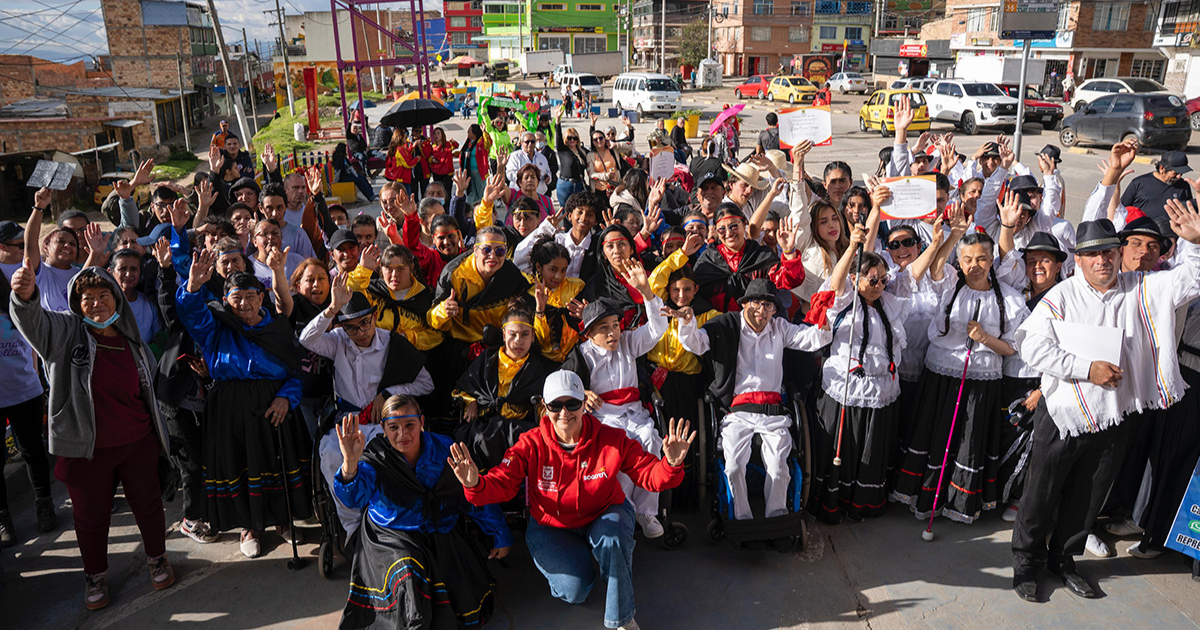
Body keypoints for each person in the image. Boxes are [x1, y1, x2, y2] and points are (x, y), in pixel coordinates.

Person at [1011, 202, 1200, 602]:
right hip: (1063, 414)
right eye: (1093, 254)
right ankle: (1026, 563)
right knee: (1041, 492)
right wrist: (1085, 369)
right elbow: (1030, 346)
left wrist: (1196, 244)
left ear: (1118, 254)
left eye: (1109, 252)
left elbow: (1191, 281)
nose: (1102, 260)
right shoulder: (1062, 296)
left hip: (1114, 415)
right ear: (1078, 260)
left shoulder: (1140, 287)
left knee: (1088, 496)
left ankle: (1063, 560)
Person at [449, 370, 696, 630]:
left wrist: (670, 464)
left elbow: (648, 474)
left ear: (584, 404)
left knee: (612, 539)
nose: (564, 412)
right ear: (544, 407)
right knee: (574, 590)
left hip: (604, 513)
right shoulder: (530, 444)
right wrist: (475, 484)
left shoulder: (611, 439)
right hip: (551, 526)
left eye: (572, 403)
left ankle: (622, 619)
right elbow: (504, 482)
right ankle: (588, 562)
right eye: (555, 405)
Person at [10, 265, 174, 609]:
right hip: (86, 451)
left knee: (148, 506)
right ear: (76, 304)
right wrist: (25, 298)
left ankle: (158, 558)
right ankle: (95, 575)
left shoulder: (132, 340)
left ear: (117, 301)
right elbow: (33, 322)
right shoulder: (65, 335)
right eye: (87, 298)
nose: (96, 303)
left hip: (136, 442)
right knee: (90, 518)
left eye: (103, 295)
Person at [334, 396, 512, 629]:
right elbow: (353, 498)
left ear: (422, 422)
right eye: (393, 427)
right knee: (408, 571)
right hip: (391, 535)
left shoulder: (446, 450)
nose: (402, 434)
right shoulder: (376, 457)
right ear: (383, 428)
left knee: (457, 590)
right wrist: (349, 463)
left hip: (440, 529)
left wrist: (500, 534)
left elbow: (471, 495)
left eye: (410, 424)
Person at [177, 254, 313, 558]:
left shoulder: (278, 328)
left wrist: (286, 397)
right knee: (239, 465)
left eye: (250, 296)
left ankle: (282, 520)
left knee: (275, 464)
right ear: (226, 300)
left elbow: (296, 372)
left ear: (261, 298)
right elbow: (192, 314)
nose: (244, 304)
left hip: (273, 406)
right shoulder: (216, 328)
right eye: (236, 298)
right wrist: (193, 287)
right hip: (229, 410)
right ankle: (248, 527)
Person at [892, 224, 1029, 525]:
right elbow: (936, 269)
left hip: (981, 383)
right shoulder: (950, 285)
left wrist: (985, 339)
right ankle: (927, 497)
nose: (974, 265)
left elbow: (1011, 349)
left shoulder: (1009, 299)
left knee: (968, 441)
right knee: (937, 437)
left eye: (981, 259)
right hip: (940, 378)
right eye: (967, 259)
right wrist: (952, 236)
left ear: (991, 261)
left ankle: (958, 501)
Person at [676, 278, 831, 523]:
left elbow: (813, 338)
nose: (762, 311)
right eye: (757, 303)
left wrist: (825, 316)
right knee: (734, 466)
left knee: (779, 468)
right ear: (744, 304)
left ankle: (777, 518)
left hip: (773, 413)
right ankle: (741, 519)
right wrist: (687, 322)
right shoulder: (726, 324)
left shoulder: (779, 327)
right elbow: (696, 343)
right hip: (738, 412)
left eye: (769, 306)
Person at [300, 279, 434, 537]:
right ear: (342, 327)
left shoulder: (392, 342)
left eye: (364, 323)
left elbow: (426, 383)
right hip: (349, 420)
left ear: (374, 316)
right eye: (351, 327)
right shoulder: (338, 340)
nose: (360, 332)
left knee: (388, 459)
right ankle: (352, 528)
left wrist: (388, 394)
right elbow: (307, 339)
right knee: (330, 454)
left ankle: (386, 521)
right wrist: (332, 308)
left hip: (384, 421)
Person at [562, 259, 669, 536]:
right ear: (589, 333)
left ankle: (646, 512)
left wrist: (647, 293)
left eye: (615, 325)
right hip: (603, 417)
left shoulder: (628, 343)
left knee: (650, 442)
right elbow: (563, 386)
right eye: (604, 328)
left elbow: (657, 329)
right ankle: (624, 510)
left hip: (634, 413)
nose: (612, 333)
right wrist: (581, 394)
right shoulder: (581, 355)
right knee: (616, 452)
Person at [453, 302, 552, 469]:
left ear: (533, 337)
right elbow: (461, 389)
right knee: (479, 438)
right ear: (504, 335)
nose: (518, 340)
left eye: (525, 334)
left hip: (518, 427)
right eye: (512, 334)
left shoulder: (536, 368)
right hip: (484, 423)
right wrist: (470, 401)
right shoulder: (487, 359)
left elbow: (542, 403)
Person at [693, 204, 805, 313]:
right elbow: (695, 295)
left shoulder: (760, 255)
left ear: (744, 223)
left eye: (733, 226)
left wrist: (789, 251)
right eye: (722, 229)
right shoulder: (708, 260)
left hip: (759, 321)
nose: (728, 233)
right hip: (718, 322)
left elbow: (791, 280)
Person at [1120, 151, 1197, 226]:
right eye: (1175, 173)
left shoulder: (1183, 185)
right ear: (1162, 168)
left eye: (1181, 173)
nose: (1179, 177)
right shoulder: (1138, 183)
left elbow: (1189, 211)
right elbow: (1121, 210)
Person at [506, 131, 553, 196]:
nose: (530, 144)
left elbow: (548, 172)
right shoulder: (515, 156)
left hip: (539, 195)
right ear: (522, 143)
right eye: (527, 142)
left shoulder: (542, 157)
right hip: (519, 195)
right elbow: (510, 174)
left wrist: (548, 178)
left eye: (532, 141)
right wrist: (525, 179)